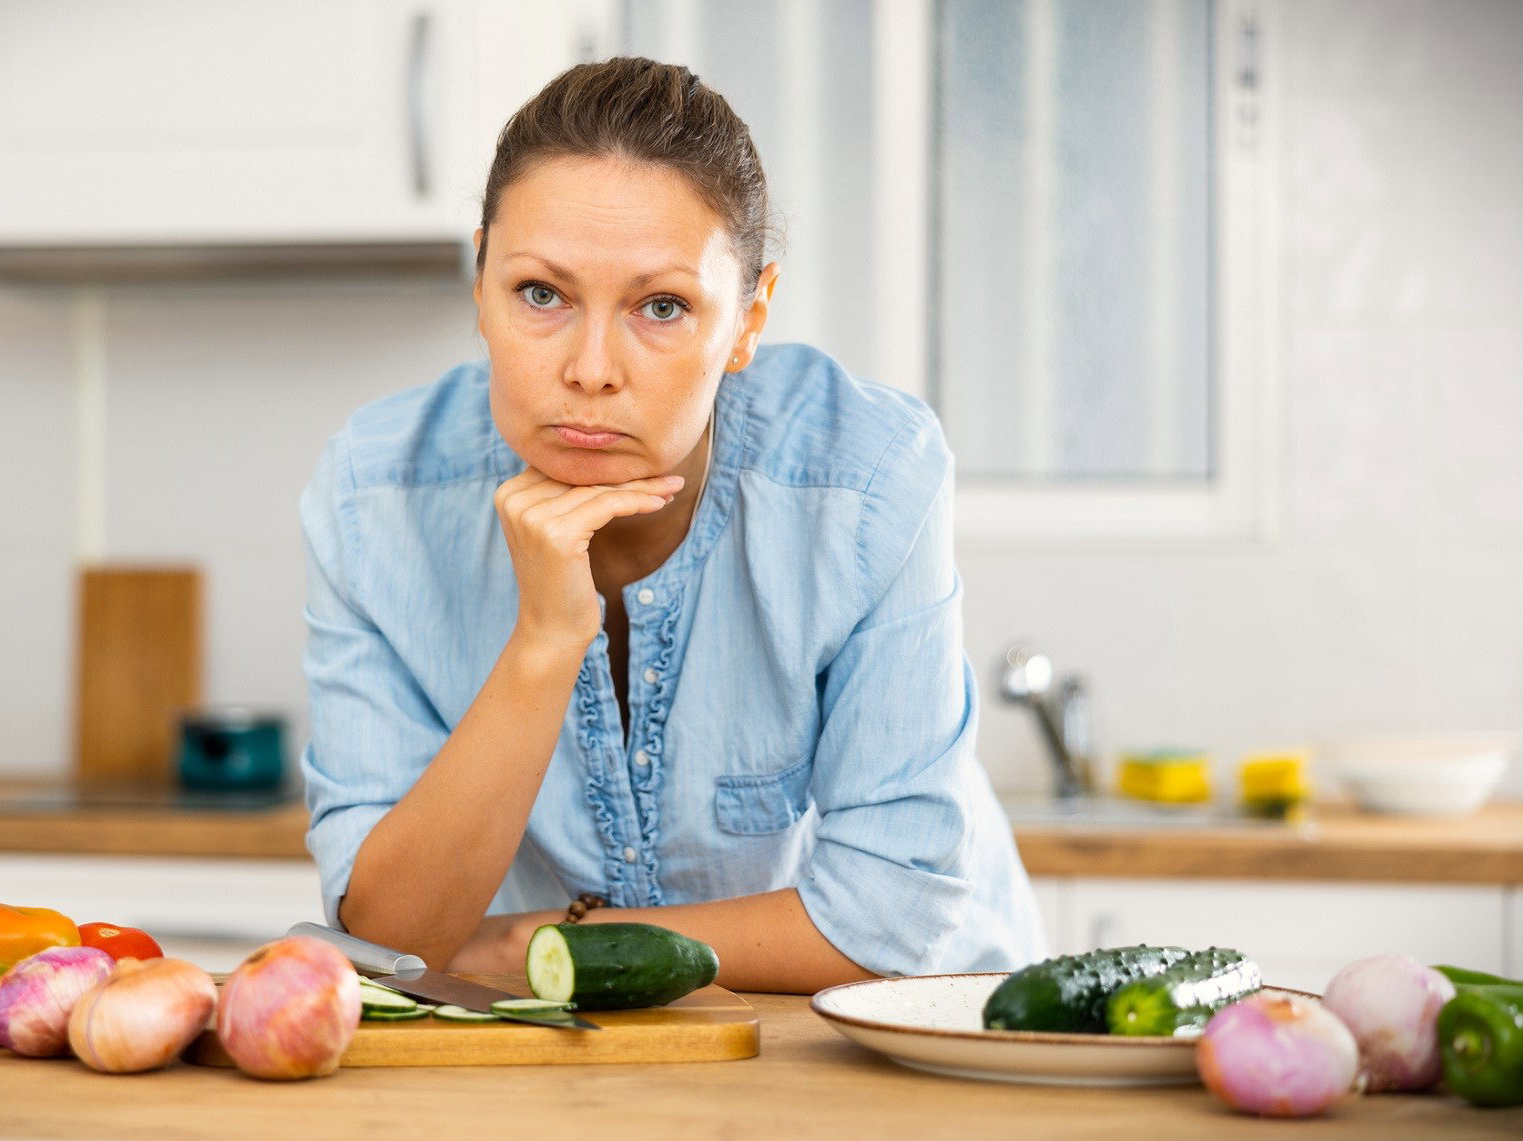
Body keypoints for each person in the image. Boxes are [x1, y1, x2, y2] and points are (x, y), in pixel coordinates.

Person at [298, 57, 1042, 993]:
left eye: (662, 307)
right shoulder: (373, 500)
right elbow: (391, 938)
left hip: (901, 1028)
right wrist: (545, 639)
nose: (591, 369)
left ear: (749, 319)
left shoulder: (867, 479)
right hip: (568, 1045)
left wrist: (525, 948)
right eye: (541, 293)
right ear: (480, 280)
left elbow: (887, 920)